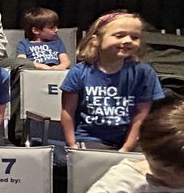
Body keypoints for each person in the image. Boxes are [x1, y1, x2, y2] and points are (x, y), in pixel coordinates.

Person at [61, 11, 164, 151]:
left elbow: (141, 114)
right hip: (90, 138)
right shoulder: (79, 72)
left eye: (135, 37)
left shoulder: (144, 73)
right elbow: (68, 111)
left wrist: (126, 148)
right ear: (96, 40)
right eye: (119, 35)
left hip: (130, 139)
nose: (128, 40)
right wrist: (72, 145)